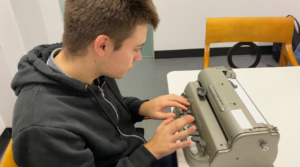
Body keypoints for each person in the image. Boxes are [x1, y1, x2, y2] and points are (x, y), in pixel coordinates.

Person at [11, 0, 196, 166]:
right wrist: (152, 151)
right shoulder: (43, 131)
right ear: (102, 46)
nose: (139, 57)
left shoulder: (87, 65)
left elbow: (103, 105)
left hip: (134, 153)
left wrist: (142, 107)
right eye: (136, 49)